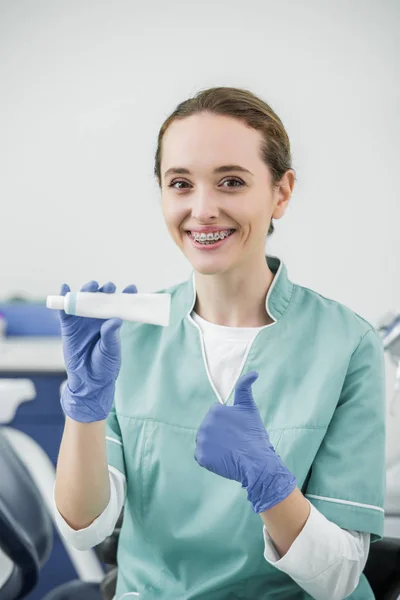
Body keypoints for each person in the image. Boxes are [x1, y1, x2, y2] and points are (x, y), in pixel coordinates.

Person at [53, 87, 386, 600]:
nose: (202, 209)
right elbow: (86, 527)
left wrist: (269, 484)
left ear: (281, 192)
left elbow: (341, 577)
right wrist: (84, 409)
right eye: (180, 184)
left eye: (231, 182)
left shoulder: (347, 346)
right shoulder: (130, 334)